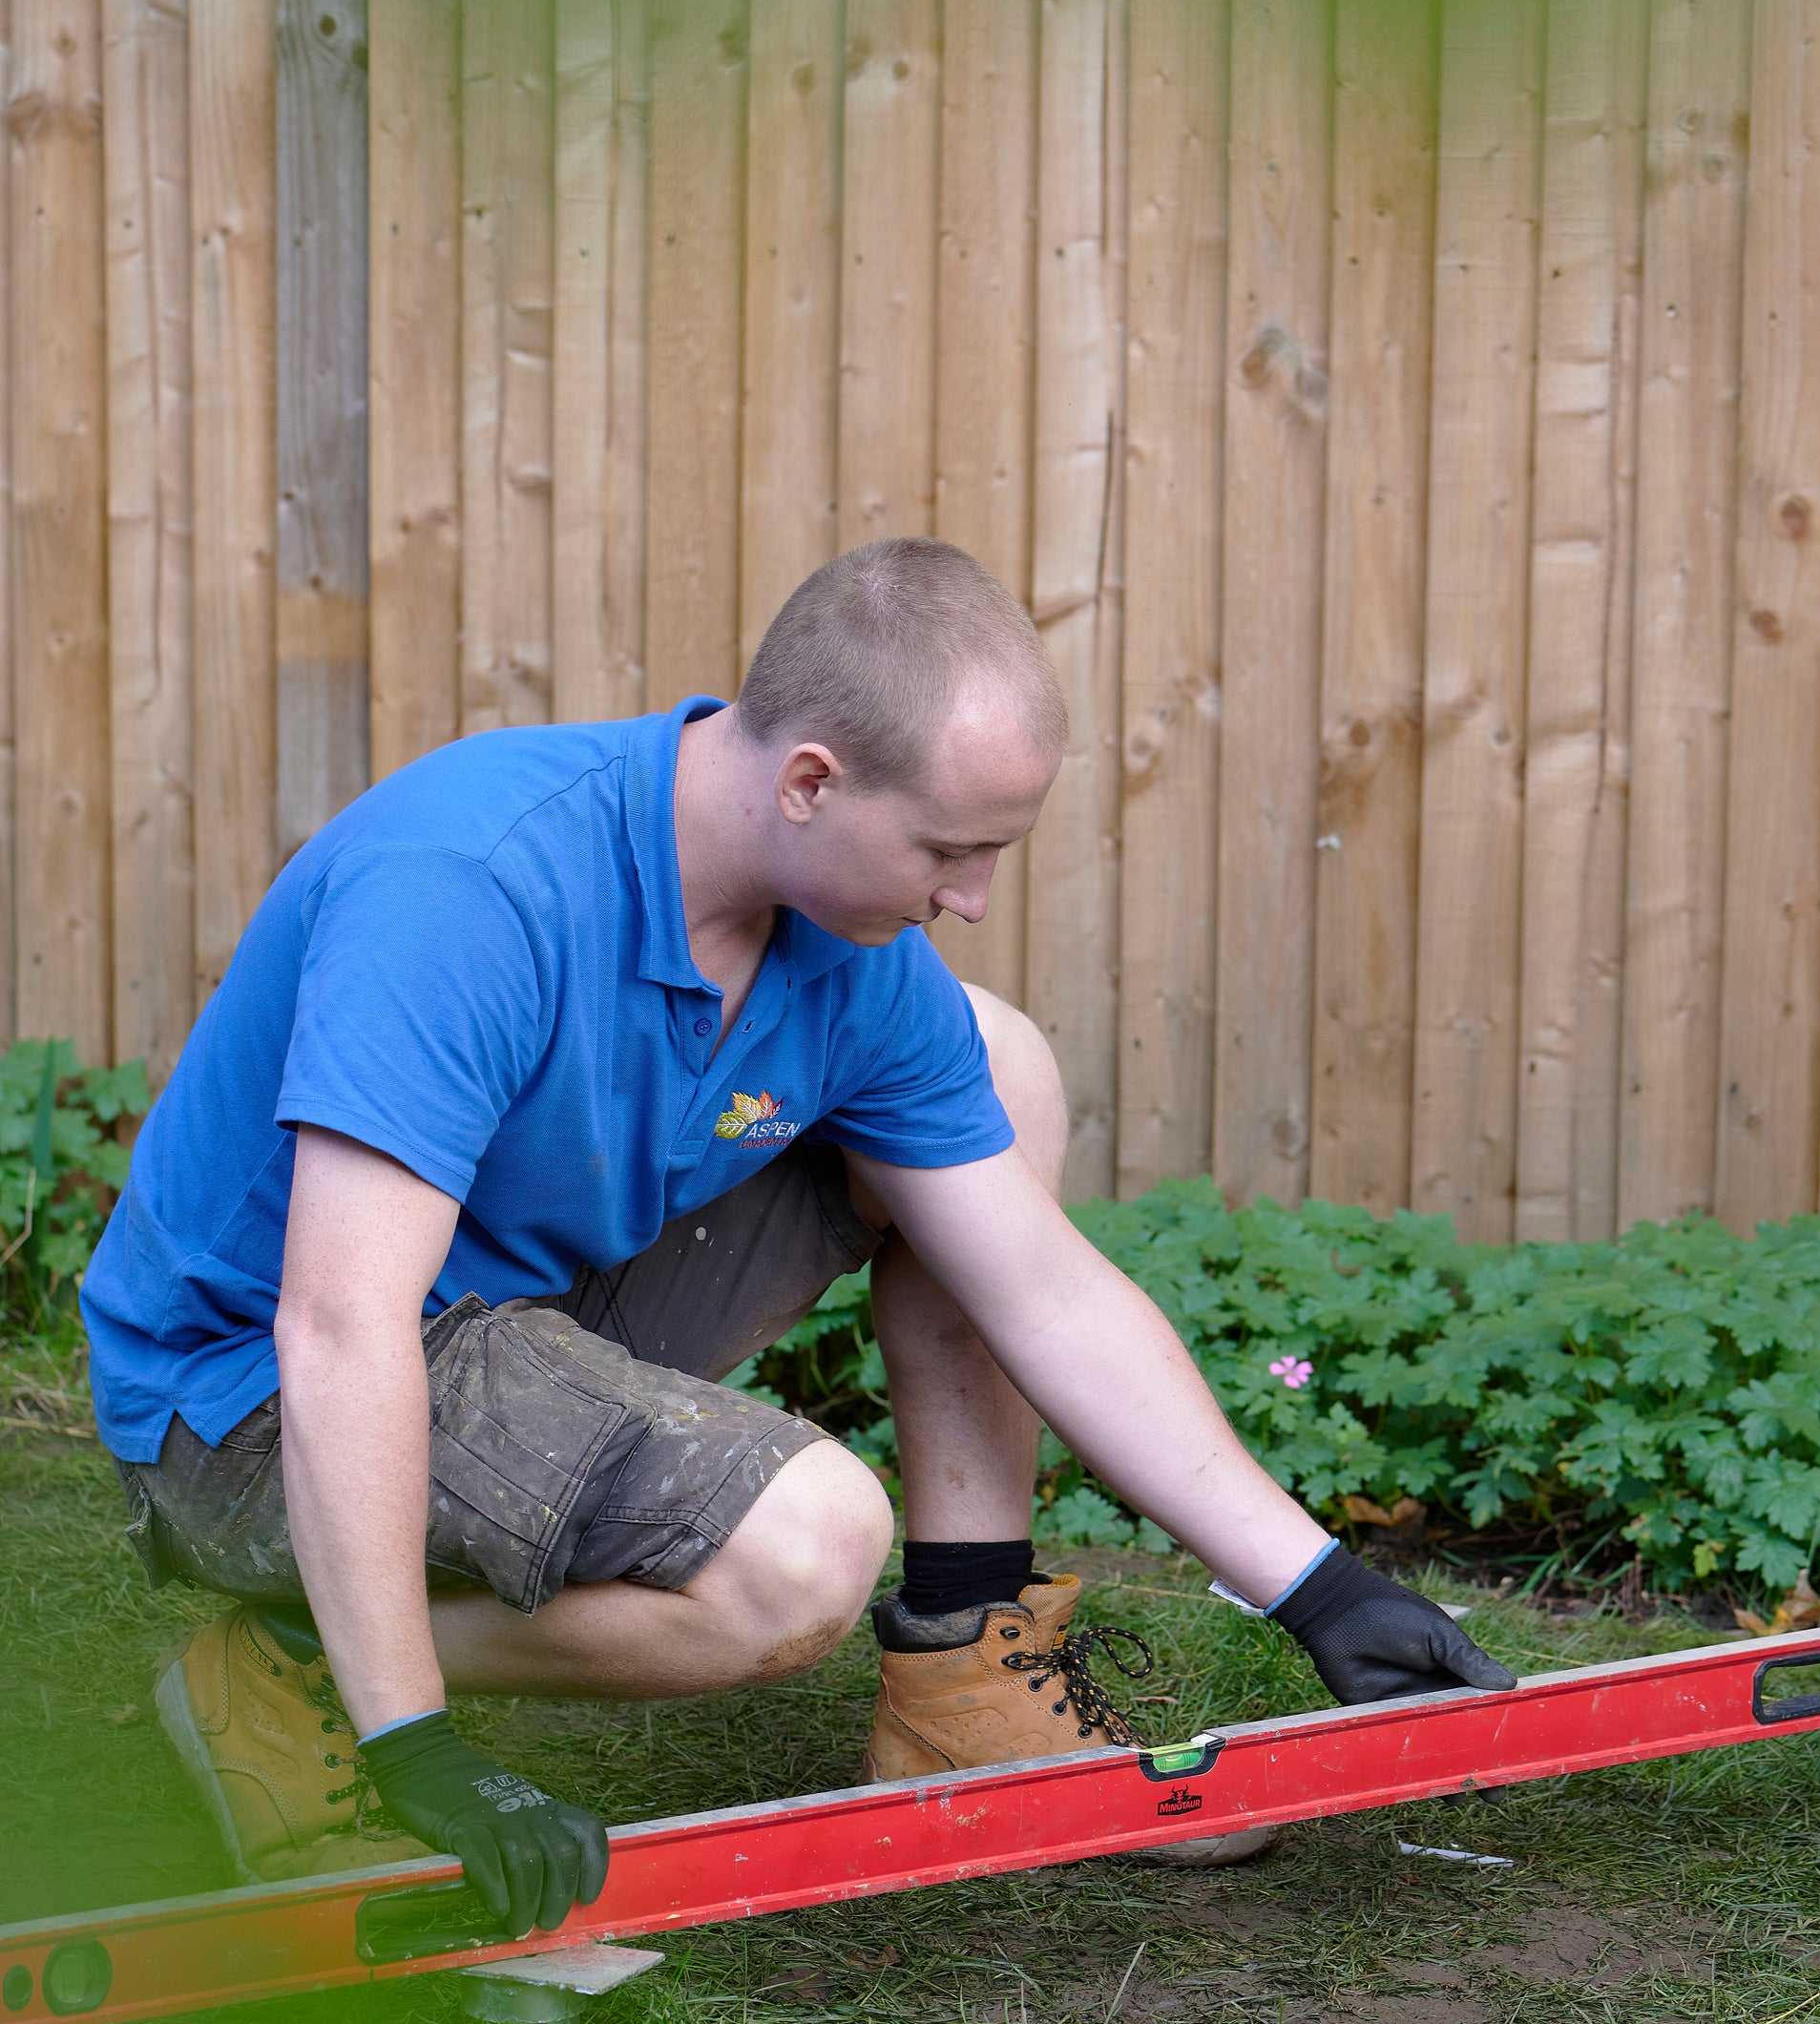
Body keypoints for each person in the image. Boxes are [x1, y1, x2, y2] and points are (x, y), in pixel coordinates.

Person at [82, 539, 1513, 1941]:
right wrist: (419, 1748)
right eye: (948, 850)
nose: (969, 897)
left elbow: (1039, 1287)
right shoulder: (475, 885)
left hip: (512, 1306)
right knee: (800, 1552)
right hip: (254, 1400)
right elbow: (336, 1323)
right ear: (811, 780)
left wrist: (1317, 1586)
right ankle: (298, 1677)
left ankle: (966, 1662)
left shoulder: (838, 945)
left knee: (992, 1066)